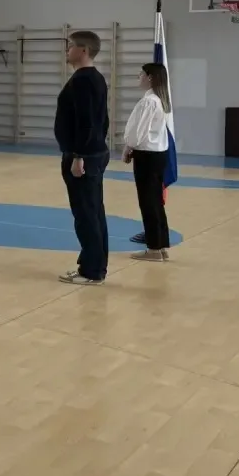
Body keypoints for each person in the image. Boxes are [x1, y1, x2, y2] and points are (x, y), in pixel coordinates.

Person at [56, 30, 111, 285]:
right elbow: (103, 121)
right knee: (93, 212)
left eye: (70, 46)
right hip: (93, 153)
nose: (67, 50)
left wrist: (80, 156)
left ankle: (92, 270)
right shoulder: (95, 78)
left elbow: (87, 122)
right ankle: (94, 265)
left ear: (84, 50)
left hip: (84, 156)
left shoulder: (83, 81)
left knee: (86, 214)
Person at [123, 63, 172, 262]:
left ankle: (153, 248)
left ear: (150, 77)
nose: (139, 77)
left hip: (147, 156)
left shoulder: (149, 102)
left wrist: (129, 147)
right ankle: (160, 246)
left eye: (141, 74)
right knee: (156, 201)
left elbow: (139, 132)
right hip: (158, 155)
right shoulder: (159, 100)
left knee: (148, 202)